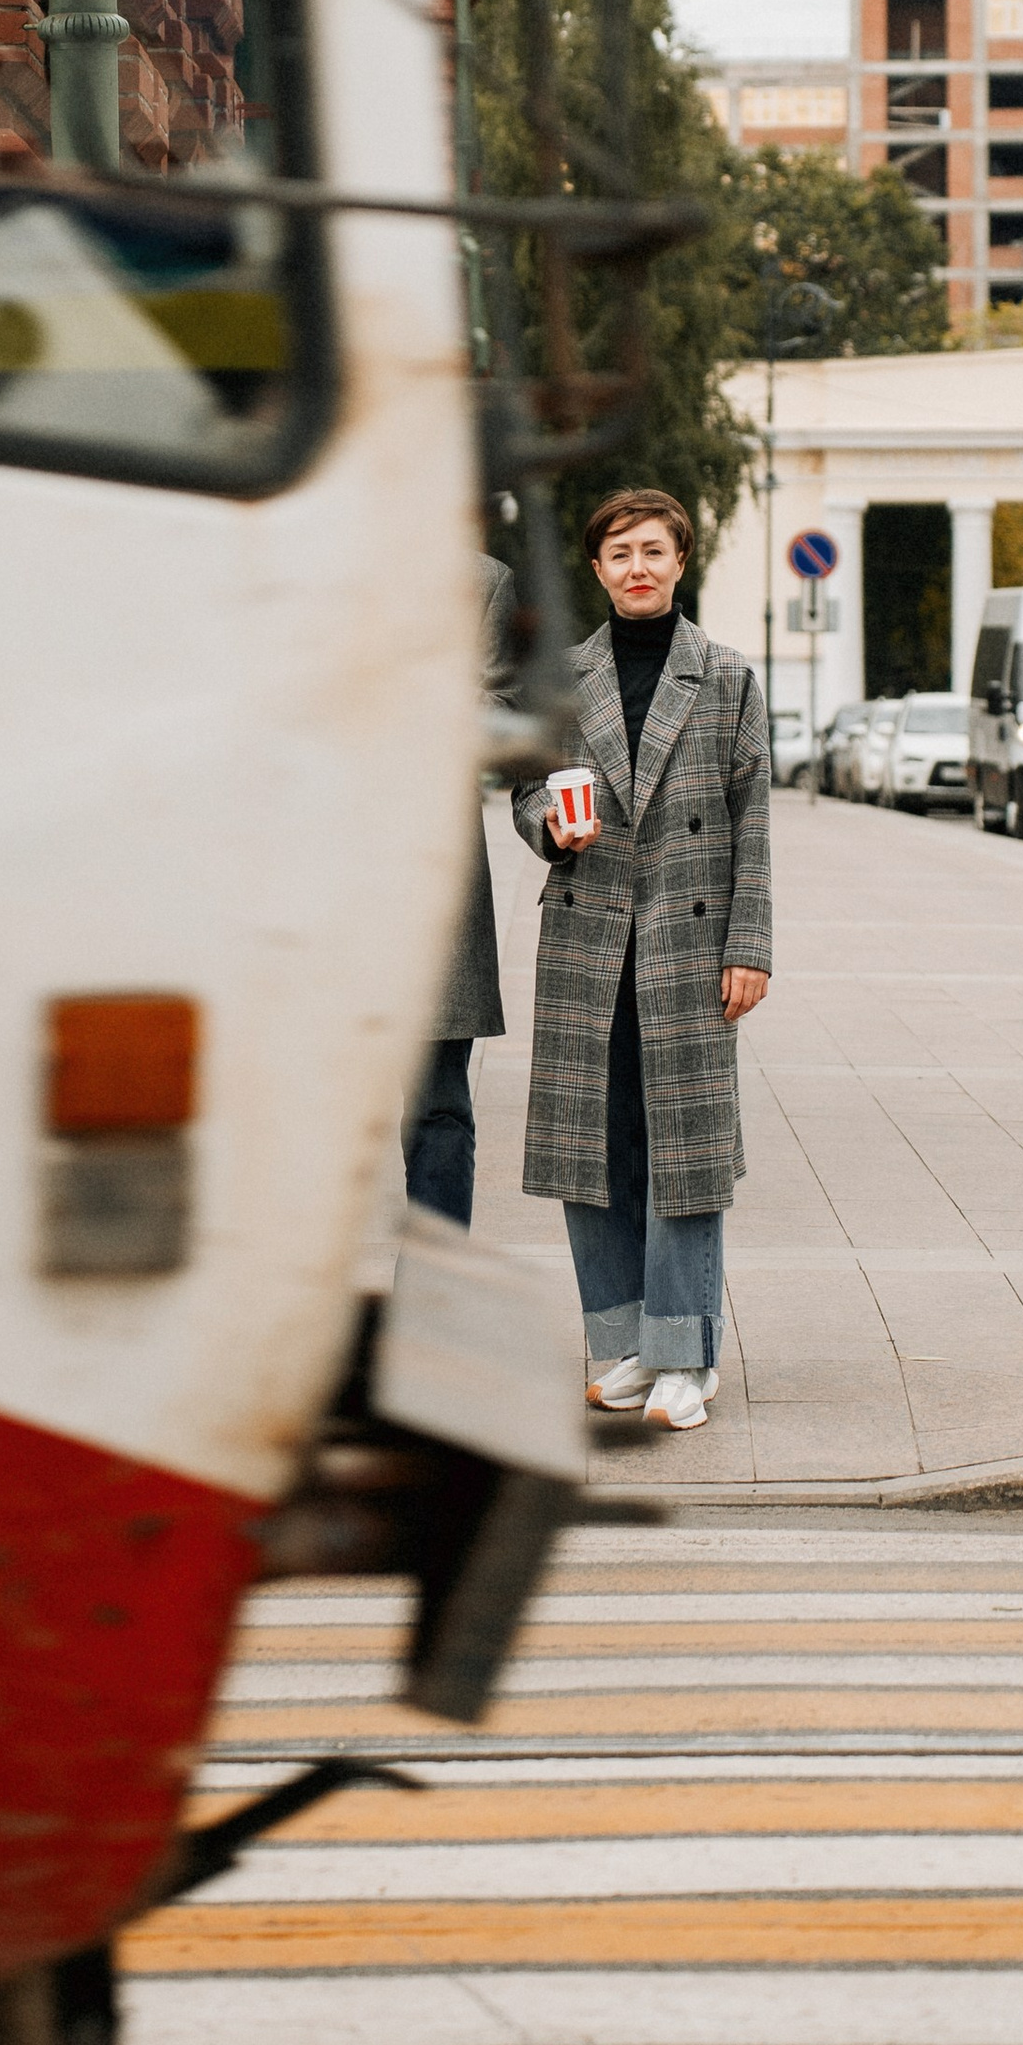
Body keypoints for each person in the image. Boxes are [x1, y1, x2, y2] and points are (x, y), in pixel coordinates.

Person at [512, 486, 772, 1433]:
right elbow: (528, 791)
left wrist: (750, 946)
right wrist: (550, 824)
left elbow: (754, 823)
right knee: (594, 1150)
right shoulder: (562, 676)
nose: (638, 569)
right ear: (598, 568)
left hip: (688, 944)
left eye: (654, 552)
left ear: (680, 561)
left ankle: (684, 1356)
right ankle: (621, 1345)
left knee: (684, 1149)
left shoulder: (729, 677)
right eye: (620, 553)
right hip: (585, 938)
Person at [403, 552, 519, 1226]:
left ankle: (431, 1296)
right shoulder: (299, 550)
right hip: (316, 881)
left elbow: (496, 711)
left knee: (437, 1104)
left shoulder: (481, 582)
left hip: (432, 885)